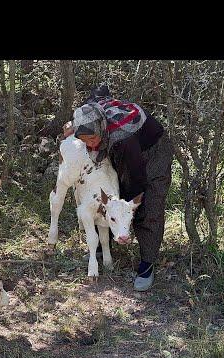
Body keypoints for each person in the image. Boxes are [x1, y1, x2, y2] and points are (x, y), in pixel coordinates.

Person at [62, 85, 174, 291]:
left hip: (153, 151)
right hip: (124, 148)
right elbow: (98, 92)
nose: (90, 145)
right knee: (102, 194)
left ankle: (146, 265)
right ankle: (101, 248)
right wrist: (73, 126)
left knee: (147, 204)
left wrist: (128, 209)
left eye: (93, 140)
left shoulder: (123, 140)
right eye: (84, 141)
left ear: (102, 130)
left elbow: (135, 180)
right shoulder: (91, 115)